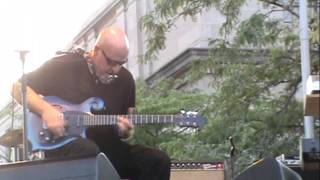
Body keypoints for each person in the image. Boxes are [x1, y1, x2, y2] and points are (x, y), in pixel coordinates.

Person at [12, 26, 171, 180]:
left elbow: (127, 130)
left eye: (120, 63)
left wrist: (125, 131)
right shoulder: (64, 66)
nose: (115, 69)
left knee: (157, 161)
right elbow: (18, 88)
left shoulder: (126, 80)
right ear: (96, 50)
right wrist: (46, 111)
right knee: (89, 151)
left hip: (108, 147)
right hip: (64, 144)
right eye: (110, 62)